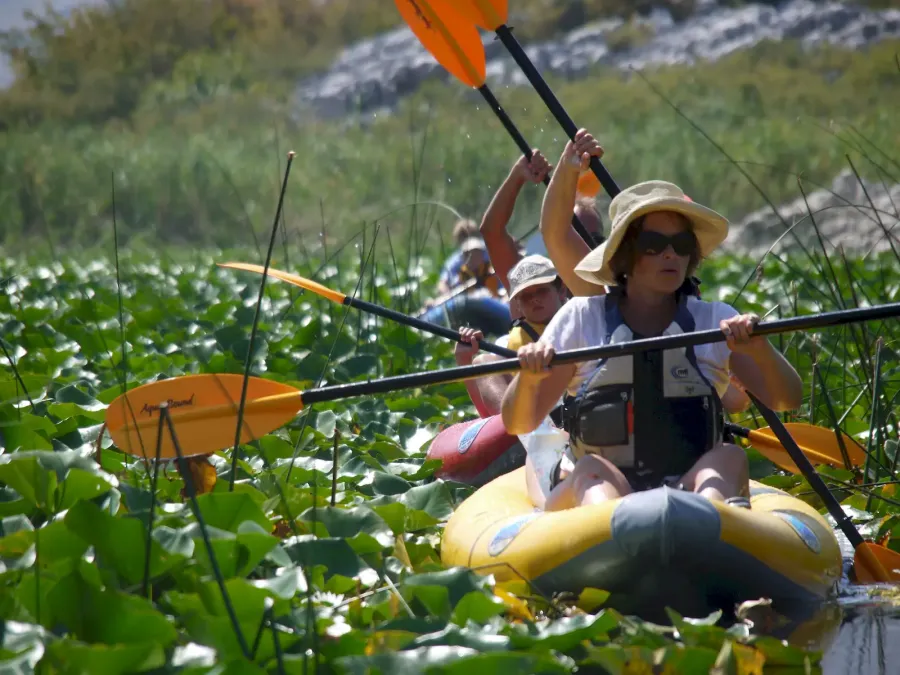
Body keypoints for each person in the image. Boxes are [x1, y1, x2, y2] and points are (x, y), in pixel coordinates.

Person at [501, 139, 803, 514]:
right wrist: (527, 378)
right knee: (594, 470)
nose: (669, 254)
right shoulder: (583, 316)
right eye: (653, 244)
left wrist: (760, 348)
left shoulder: (714, 320)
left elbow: (787, 399)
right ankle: (613, 526)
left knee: (728, 458)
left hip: (687, 488)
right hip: (597, 491)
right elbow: (518, 422)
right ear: (626, 255)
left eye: (680, 244)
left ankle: (712, 519)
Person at [480, 150, 608, 308]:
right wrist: (518, 175)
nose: (585, 247)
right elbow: (492, 232)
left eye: (595, 240)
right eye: (574, 237)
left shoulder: (616, 296)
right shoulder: (530, 286)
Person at [455, 255, 568, 417]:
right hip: (541, 421)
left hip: (586, 403)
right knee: (482, 363)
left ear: (561, 290)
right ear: (518, 305)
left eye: (542, 291)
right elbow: (486, 414)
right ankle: (525, 435)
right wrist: (464, 361)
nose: (535, 299)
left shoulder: (584, 316)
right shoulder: (506, 345)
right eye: (526, 296)